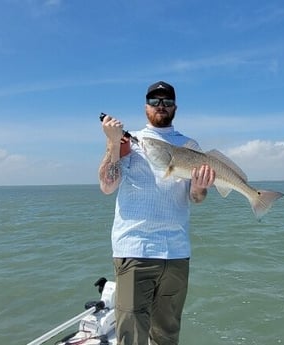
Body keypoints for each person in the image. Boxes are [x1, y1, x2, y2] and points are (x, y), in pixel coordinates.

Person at [98, 81, 215, 345]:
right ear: (145, 107)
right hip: (135, 250)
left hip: (176, 253)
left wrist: (199, 187)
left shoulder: (190, 145)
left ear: (175, 107)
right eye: (154, 101)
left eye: (167, 101)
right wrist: (112, 143)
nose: (160, 106)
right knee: (131, 336)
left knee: (167, 334)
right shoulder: (130, 141)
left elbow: (196, 198)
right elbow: (107, 185)